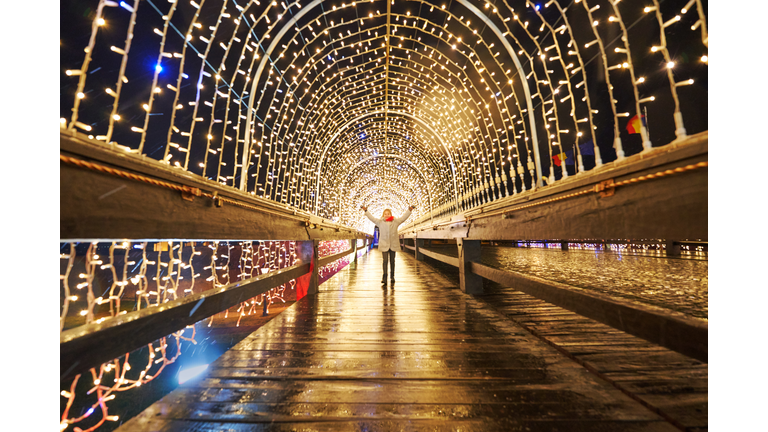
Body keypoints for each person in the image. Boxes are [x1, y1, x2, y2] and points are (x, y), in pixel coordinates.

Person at [362, 204, 414, 284]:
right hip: (384, 243)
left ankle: (392, 276)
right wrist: (366, 211)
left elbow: (403, 218)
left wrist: (409, 210)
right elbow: (371, 218)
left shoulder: (395, 221)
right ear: (383, 215)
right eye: (385, 214)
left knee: (392, 261)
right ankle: (384, 277)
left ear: (391, 214)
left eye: (388, 214)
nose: (387, 215)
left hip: (393, 244)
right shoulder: (380, 222)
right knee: (385, 261)